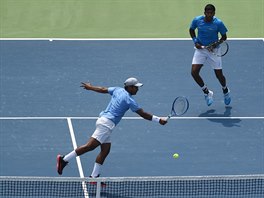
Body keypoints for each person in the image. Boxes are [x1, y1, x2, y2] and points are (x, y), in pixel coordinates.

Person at [56, 77, 167, 178]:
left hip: (103, 120)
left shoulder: (118, 90)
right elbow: (143, 114)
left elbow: (103, 89)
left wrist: (90, 87)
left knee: (105, 150)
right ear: (129, 87)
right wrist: (159, 120)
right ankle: (64, 159)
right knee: (90, 146)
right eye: (135, 87)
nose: (137, 89)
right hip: (106, 124)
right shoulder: (129, 100)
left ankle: (94, 176)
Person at [189, 4, 231, 106]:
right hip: (201, 50)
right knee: (194, 72)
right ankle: (207, 92)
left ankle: (225, 90)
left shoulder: (218, 23)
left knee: (219, 75)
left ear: (214, 13)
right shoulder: (197, 20)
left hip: (214, 50)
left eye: (211, 13)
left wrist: (215, 44)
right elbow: (191, 30)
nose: (209, 15)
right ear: (204, 13)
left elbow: (224, 37)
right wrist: (195, 41)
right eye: (207, 13)